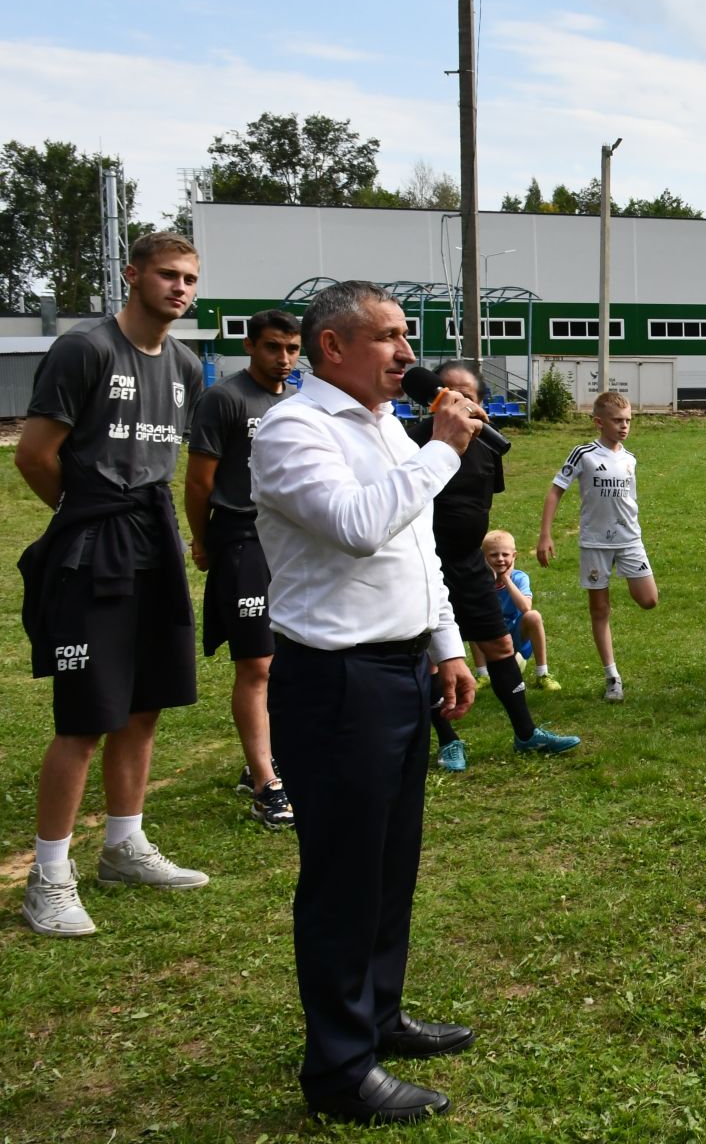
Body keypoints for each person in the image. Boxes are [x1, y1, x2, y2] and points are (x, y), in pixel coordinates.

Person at [251, 281, 483, 1122]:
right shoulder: (292, 431)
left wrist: (445, 645)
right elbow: (355, 524)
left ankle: (379, 1016)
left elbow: (414, 552)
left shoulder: (386, 427)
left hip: (400, 671)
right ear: (331, 349)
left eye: (407, 336)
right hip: (337, 681)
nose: (407, 354)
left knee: (390, 866)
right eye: (387, 337)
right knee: (344, 879)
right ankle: (340, 1072)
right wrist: (443, 451)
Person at [16, 230, 208, 938]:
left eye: (189, 278)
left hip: (153, 540)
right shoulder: (86, 349)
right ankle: (49, 877)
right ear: (132, 275)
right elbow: (36, 457)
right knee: (86, 716)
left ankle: (124, 845)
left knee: (145, 701)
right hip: (96, 542)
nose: (179, 289)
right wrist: (85, 519)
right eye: (166, 275)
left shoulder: (186, 364)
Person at [414, 360, 577, 765]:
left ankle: (526, 734)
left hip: (470, 564)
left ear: (482, 404)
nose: (456, 402)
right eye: (446, 393)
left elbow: (482, 502)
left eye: (466, 395)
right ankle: (448, 739)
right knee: (432, 659)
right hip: (422, 565)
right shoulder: (414, 441)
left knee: (501, 645)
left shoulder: (489, 443)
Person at [184, 307, 300, 829]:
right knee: (255, 664)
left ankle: (267, 759)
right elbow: (198, 483)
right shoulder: (223, 399)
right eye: (274, 347)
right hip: (238, 539)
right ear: (250, 346)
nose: (284, 359)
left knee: (285, 658)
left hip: (288, 543)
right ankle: (265, 786)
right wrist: (204, 541)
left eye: (293, 349)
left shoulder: (297, 404)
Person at [538, 390, 659, 703]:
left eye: (628, 420)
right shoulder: (583, 454)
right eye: (617, 420)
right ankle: (612, 677)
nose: (624, 426)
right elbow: (555, 492)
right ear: (598, 422)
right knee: (600, 609)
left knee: (648, 600)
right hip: (595, 543)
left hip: (630, 539)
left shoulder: (630, 459)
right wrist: (545, 535)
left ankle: (612, 672)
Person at [482, 529, 553, 690]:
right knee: (472, 617)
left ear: (514, 556)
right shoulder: (480, 580)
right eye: (493, 555)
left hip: (514, 633)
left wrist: (506, 579)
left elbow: (526, 607)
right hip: (490, 637)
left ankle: (542, 674)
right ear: (484, 557)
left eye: (505, 555)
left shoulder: (520, 578)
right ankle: (482, 674)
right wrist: (490, 582)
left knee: (533, 616)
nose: (500, 559)